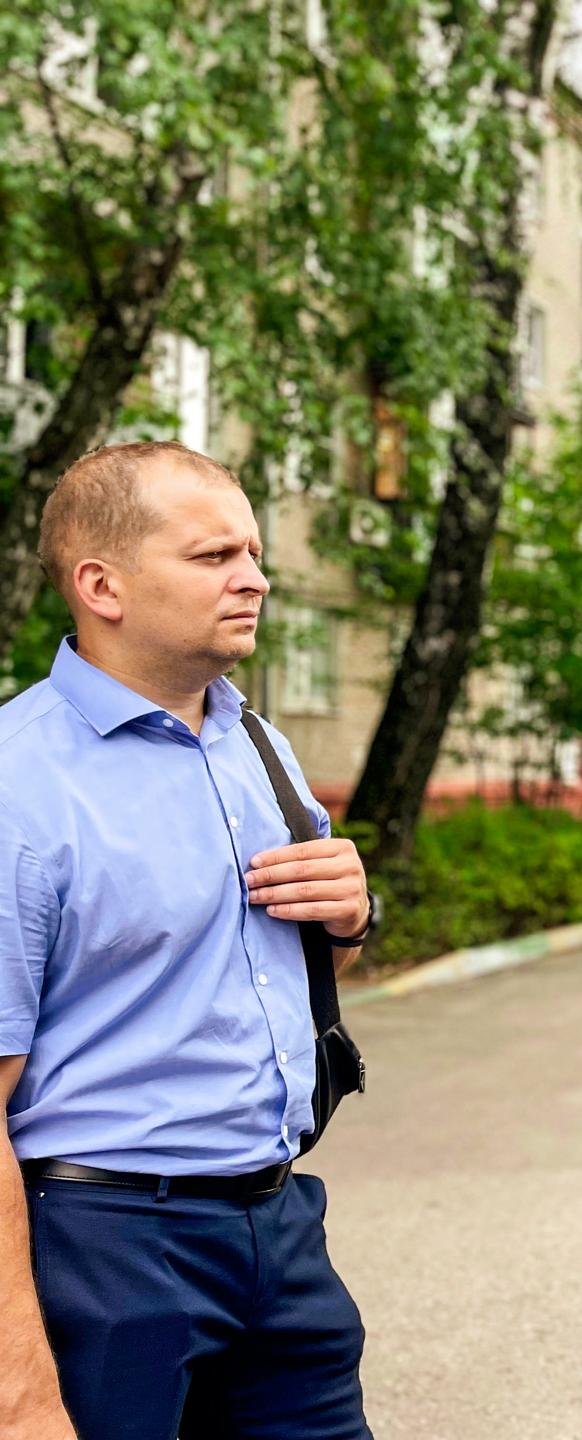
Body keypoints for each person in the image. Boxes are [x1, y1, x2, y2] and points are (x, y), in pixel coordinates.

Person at [0, 442, 378, 1439]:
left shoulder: (257, 743)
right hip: (103, 1247)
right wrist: (21, 1391)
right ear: (101, 586)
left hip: (280, 1230)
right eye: (215, 556)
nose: (254, 578)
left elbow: (288, 971)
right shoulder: (17, 785)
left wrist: (347, 917)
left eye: (254, 554)